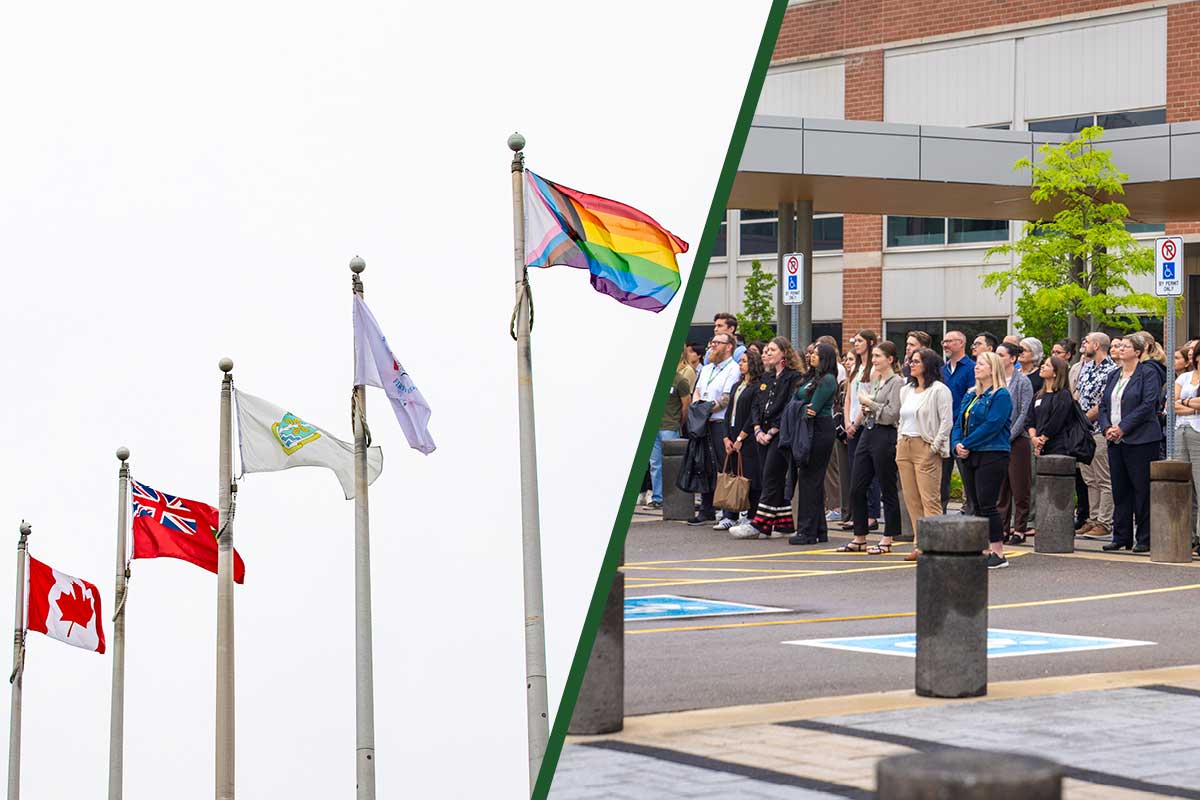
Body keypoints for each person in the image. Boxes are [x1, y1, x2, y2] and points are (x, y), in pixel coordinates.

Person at [1099, 332, 1165, 552]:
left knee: (1141, 489)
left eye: (1125, 346)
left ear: (1137, 351)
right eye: (1119, 347)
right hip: (1115, 440)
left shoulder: (1147, 373)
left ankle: (1144, 538)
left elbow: (1148, 405)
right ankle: (1121, 536)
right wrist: (1108, 427)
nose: (1120, 349)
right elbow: (1103, 406)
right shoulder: (1113, 375)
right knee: (1120, 489)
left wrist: (1123, 427)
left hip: (1141, 439)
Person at [734, 337, 803, 539]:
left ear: (784, 353)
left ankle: (760, 524)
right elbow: (756, 405)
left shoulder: (794, 377)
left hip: (781, 435)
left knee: (771, 476)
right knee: (770, 476)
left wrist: (773, 430)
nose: (767, 353)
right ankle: (784, 523)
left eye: (772, 350)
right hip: (761, 434)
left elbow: (788, 407)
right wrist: (757, 429)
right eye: (767, 350)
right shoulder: (767, 377)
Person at [839, 341, 903, 554]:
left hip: (885, 434)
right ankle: (859, 536)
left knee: (887, 487)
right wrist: (867, 408)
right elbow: (872, 407)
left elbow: (892, 413)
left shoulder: (897, 382)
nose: (873, 360)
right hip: (868, 430)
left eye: (878, 356)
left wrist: (871, 404)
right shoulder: (877, 381)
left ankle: (887, 538)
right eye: (873, 356)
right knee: (857, 486)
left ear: (890, 359)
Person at [952, 351, 1014, 569]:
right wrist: (957, 443)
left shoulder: (1001, 395)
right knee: (975, 504)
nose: (976, 367)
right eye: (976, 364)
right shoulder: (970, 394)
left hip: (992, 453)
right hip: (970, 454)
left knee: (988, 503)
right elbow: (959, 421)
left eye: (982, 364)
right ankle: (983, 549)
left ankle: (998, 552)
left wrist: (966, 443)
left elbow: (993, 425)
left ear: (992, 368)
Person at [895, 347, 952, 561]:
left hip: (925, 445)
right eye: (911, 360)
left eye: (917, 361)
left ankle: (936, 546)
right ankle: (919, 545)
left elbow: (946, 421)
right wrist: (899, 441)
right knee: (912, 499)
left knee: (930, 500)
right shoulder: (906, 390)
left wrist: (934, 448)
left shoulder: (939, 390)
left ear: (928, 365)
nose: (912, 364)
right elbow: (902, 419)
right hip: (905, 445)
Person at [687, 332, 742, 526]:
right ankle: (706, 508)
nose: (712, 346)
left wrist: (705, 409)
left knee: (723, 467)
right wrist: (698, 408)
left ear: (729, 347)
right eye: (712, 342)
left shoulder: (733, 369)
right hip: (704, 422)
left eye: (717, 343)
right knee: (704, 466)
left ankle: (728, 512)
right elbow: (698, 391)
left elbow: (726, 398)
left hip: (719, 422)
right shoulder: (707, 368)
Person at [790, 343, 840, 545]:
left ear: (826, 358)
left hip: (820, 430)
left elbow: (813, 409)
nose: (812, 356)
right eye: (812, 353)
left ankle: (807, 531)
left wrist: (798, 405)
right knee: (811, 480)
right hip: (809, 428)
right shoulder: (812, 378)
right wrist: (799, 405)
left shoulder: (828, 380)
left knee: (810, 479)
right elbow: (797, 400)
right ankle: (819, 529)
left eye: (817, 354)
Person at [1075, 332, 1118, 540]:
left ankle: (1104, 521)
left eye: (1087, 341)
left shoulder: (1111, 369)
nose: (1084, 344)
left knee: (1103, 478)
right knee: (1089, 478)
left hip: (1099, 429)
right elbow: (1079, 393)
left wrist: (1084, 419)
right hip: (1083, 431)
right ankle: (1092, 519)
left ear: (1097, 345)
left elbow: (1103, 402)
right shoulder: (1086, 366)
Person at [720, 348, 764, 532]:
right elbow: (729, 411)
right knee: (731, 475)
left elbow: (752, 416)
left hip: (747, 438)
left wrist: (740, 438)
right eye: (740, 361)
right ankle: (729, 514)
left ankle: (750, 515)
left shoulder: (757, 387)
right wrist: (725, 437)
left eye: (744, 361)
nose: (741, 364)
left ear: (753, 363)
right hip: (731, 433)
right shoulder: (736, 385)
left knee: (748, 476)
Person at [843, 330, 882, 531]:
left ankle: (872, 514)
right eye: (854, 341)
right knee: (855, 472)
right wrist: (847, 421)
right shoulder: (855, 369)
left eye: (859, 341)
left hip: (866, 424)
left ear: (870, 342)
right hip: (851, 425)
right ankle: (858, 514)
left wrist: (856, 423)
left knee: (869, 471)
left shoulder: (874, 369)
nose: (856, 344)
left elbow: (869, 399)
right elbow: (849, 397)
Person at [995, 341, 1033, 544]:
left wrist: (1010, 435)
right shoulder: (995, 380)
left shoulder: (1022, 381)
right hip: (997, 441)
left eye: (1001, 355)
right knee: (1002, 489)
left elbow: (1024, 412)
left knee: (1019, 487)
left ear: (1012, 358)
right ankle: (1002, 527)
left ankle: (1020, 528)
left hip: (1017, 441)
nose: (998, 359)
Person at [648, 347, 694, 509]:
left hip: (670, 426)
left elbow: (685, 405)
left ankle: (673, 497)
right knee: (655, 464)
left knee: (672, 464)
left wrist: (679, 422)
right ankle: (657, 497)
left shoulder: (680, 381)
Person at [941, 330, 976, 513]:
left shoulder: (972, 368)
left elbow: (972, 397)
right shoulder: (942, 369)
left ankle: (972, 514)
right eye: (944, 342)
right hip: (943, 428)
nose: (946, 345)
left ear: (961, 343)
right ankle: (939, 514)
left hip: (962, 430)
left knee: (967, 476)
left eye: (950, 341)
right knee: (942, 477)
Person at [1174, 345, 1200, 551]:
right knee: (1184, 485)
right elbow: (1174, 405)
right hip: (1181, 430)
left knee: (1199, 484)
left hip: (1198, 432)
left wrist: (1185, 402)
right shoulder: (1184, 378)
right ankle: (1188, 535)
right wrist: (1191, 403)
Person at [1029, 356, 1075, 456]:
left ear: (1055, 373)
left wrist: (1043, 439)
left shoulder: (1063, 394)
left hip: (1058, 447)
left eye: (1047, 365)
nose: (1042, 366)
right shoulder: (1038, 395)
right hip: (1039, 447)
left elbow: (1057, 420)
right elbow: (1030, 419)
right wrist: (1034, 438)